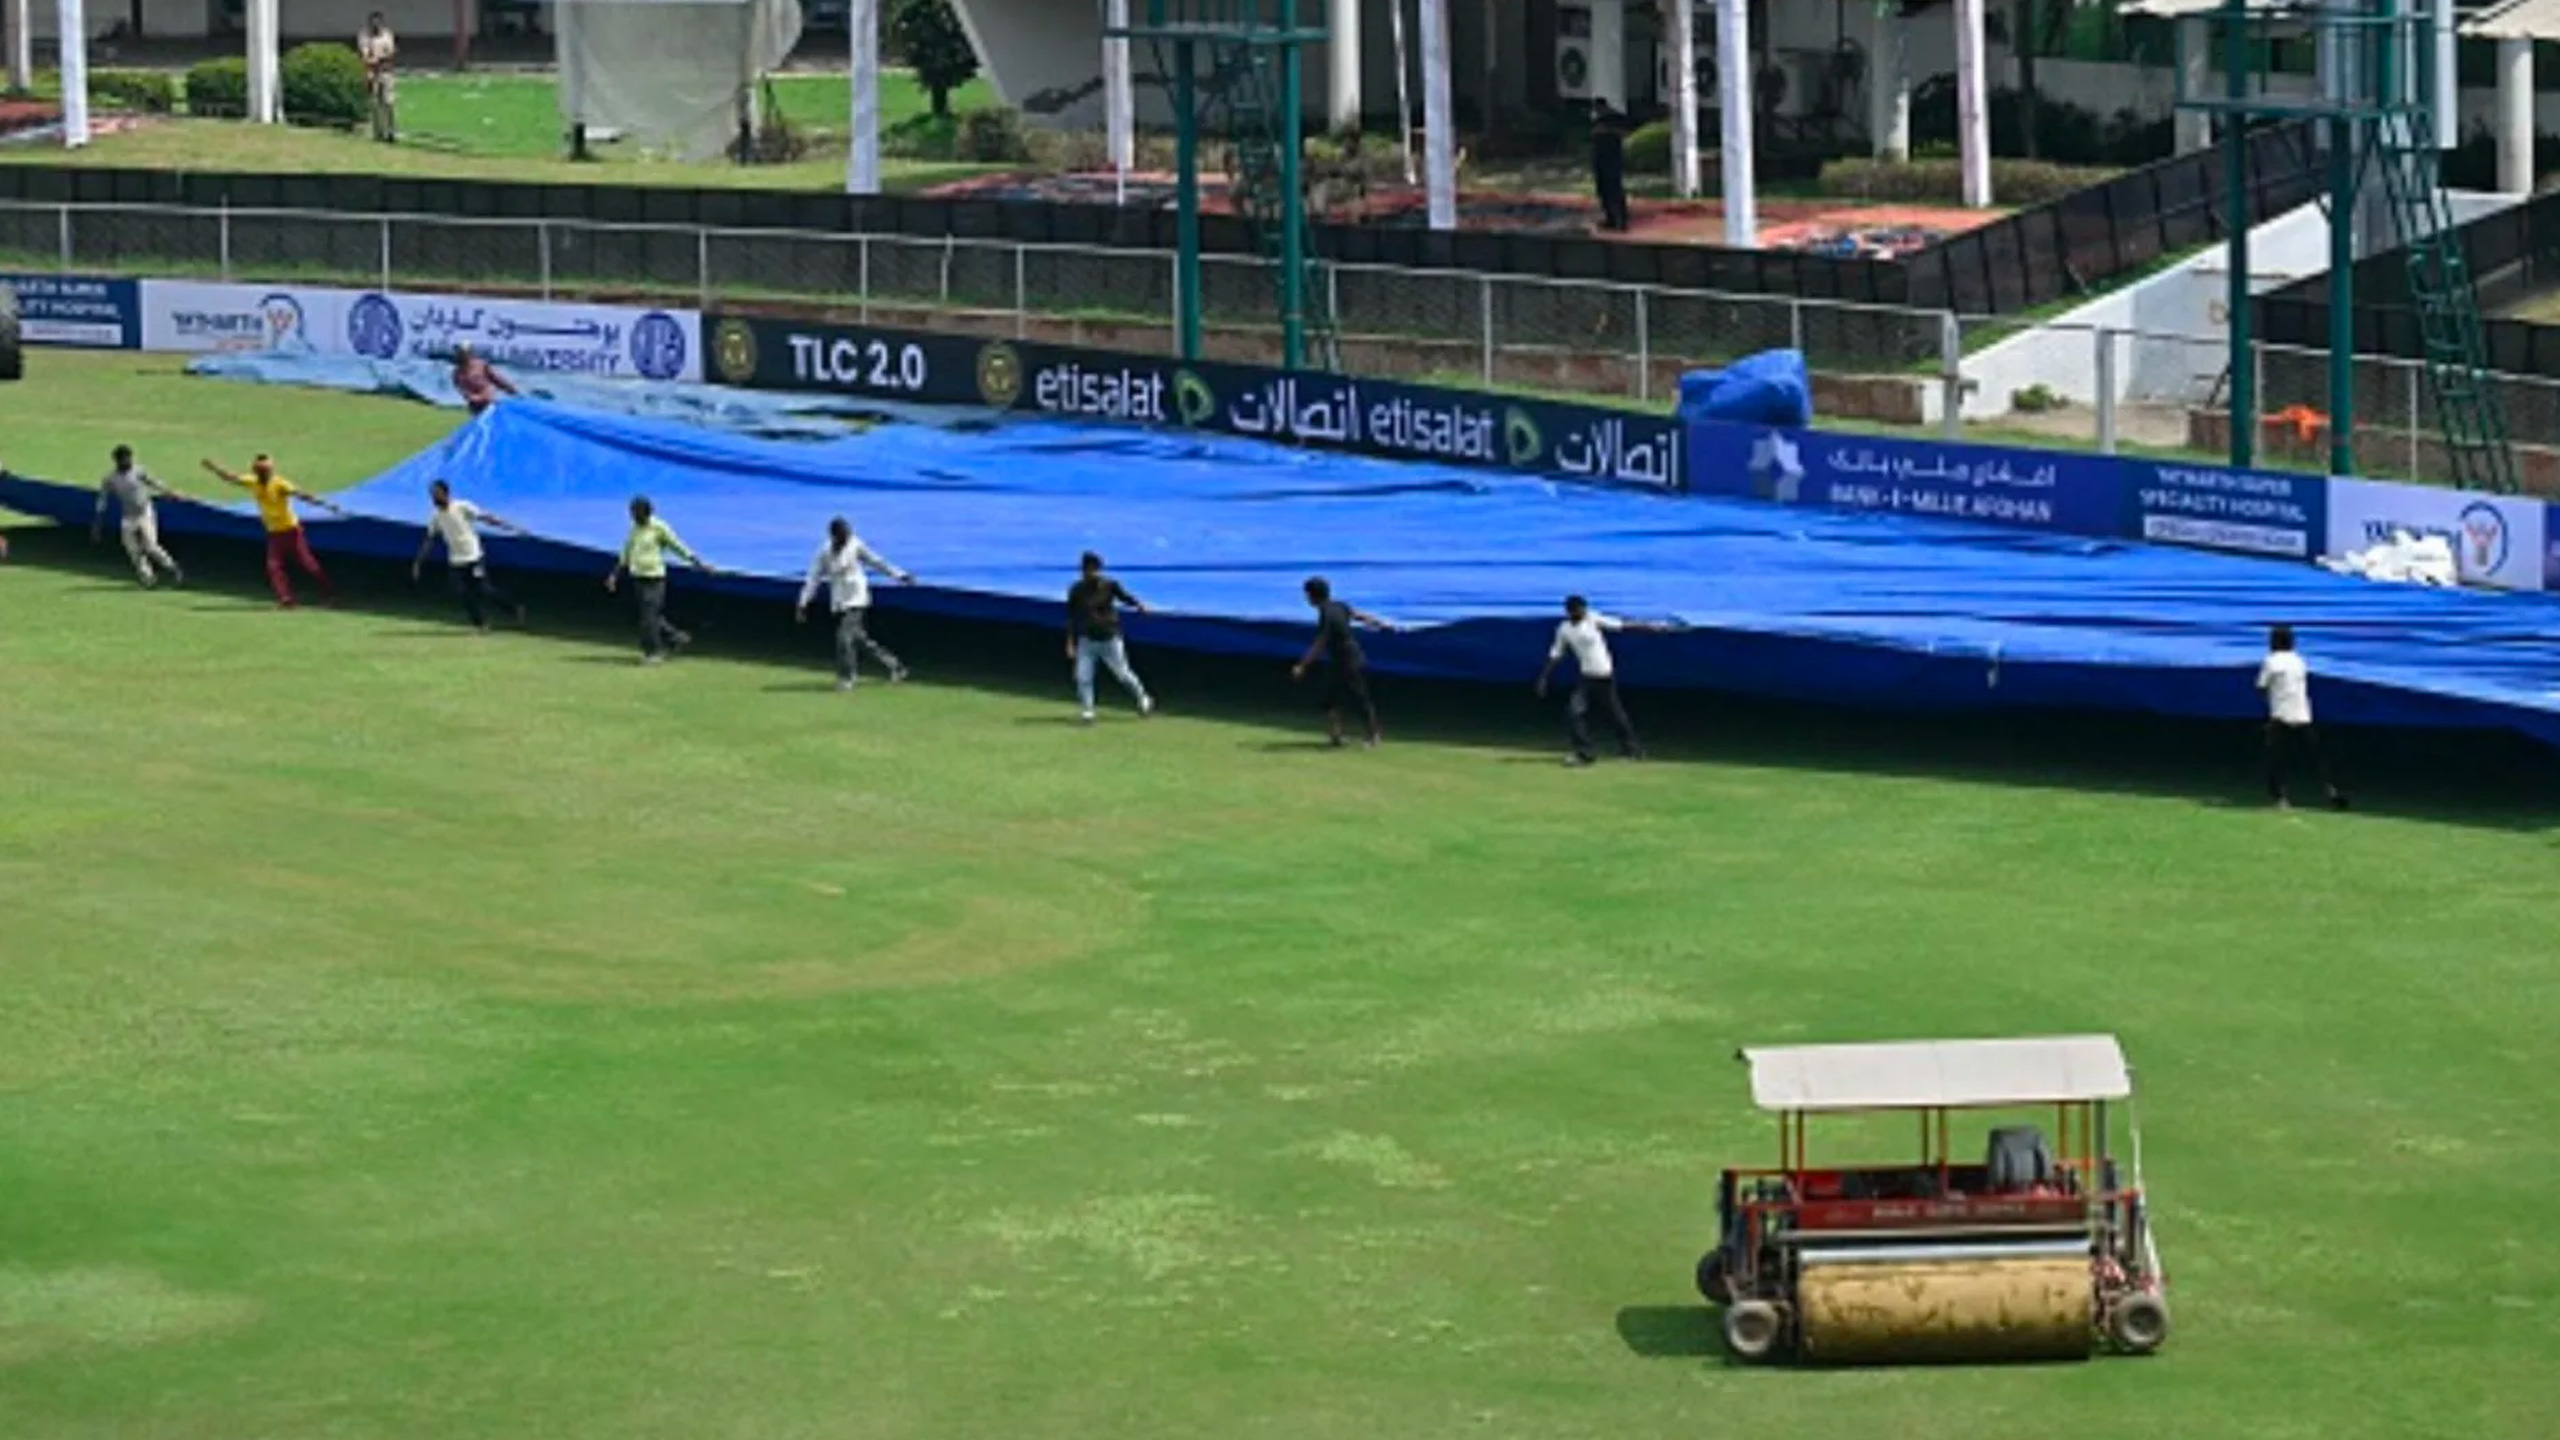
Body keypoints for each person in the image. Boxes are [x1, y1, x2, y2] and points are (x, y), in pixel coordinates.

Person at [1535, 594, 1673, 766]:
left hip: (1604, 675)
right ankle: (1585, 753)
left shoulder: (1593, 619)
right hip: (1586, 677)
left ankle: (1632, 748)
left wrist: (1651, 627)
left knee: (1615, 714)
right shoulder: (1564, 629)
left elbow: (1622, 625)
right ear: (1570, 611)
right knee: (1573, 712)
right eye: (1578, 610)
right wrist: (1544, 678)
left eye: (1583, 609)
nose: (1583, 612)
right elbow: (1555, 654)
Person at [202, 453, 343, 607]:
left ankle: (329, 592)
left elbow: (302, 495)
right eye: (260, 471)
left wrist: (327, 505)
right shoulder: (253, 482)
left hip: (291, 531)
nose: (263, 474)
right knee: (273, 566)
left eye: (266, 471)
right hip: (274, 533)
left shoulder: (280, 484)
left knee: (307, 564)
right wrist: (214, 468)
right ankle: (286, 599)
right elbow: (231, 478)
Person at [796, 516, 915, 691]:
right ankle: (895, 665)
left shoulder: (855, 545)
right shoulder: (824, 552)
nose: (846, 539)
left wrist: (899, 575)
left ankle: (847, 678)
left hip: (857, 599)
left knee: (844, 638)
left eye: (847, 534)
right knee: (860, 639)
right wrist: (803, 602)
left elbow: (877, 562)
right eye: (842, 536)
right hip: (839, 601)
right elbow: (813, 578)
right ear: (834, 536)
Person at [604, 496, 714, 664]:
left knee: (648, 616)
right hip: (638, 577)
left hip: (655, 578)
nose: (633, 517)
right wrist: (614, 575)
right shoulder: (635, 529)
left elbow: (677, 546)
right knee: (649, 615)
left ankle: (653, 652)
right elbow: (626, 553)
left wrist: (698, 563)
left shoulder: (659, 528)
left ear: (645, 513)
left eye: (636, 513)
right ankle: (676, 637)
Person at [1291, 576, 1393, 749]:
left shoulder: (1326, 613)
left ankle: (1373, 736)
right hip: (1342, 659)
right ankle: (1336, 735)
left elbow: (1320, 642)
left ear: (1312, 596)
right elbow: (1359, 615)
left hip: (1348, 659)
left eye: (1307, 595)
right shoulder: (1339, 605)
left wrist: (1303, 665)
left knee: (1358, 697)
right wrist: (1380, 624)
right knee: (1329, 696)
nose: (1306, 598)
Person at [412, 479, 527, 632]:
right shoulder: (436, 517)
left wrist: (508, 526)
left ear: (445, 494)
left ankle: (514, 609)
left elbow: (485, 518)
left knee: (484, 589)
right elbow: (429, 540)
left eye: (436, 494)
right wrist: (418, 562)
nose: (434, 498)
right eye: (432, 495)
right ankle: (480, 624)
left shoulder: (461, 507)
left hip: (473, 556)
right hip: (456, 560)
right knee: (461, 592)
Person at [2258, 624, 2347, 811]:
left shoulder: (2271, 661)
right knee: (2315, 758)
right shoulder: (2299, 661)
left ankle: (2280, 798)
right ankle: (2331, 790)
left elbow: (2261, 686)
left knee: (2276, 760)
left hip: (2280, 715)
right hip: (2302, 714)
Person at [1065, 550, 1153, 724]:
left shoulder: (1109, 585)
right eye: (1086, 570)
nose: (1090, 573)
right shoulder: (1076, 590)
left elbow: (1125, 597)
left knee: (1122, 674)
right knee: (1083, 676)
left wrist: (1140, 606)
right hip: (1087, 639)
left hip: (1109, 638)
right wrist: (1070, 642)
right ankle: (1088, 710)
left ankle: (1143, 698)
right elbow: (1072, 617)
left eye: (1093, 569)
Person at [91, 444, 184, 588]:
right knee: (133, 550)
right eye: (124, 459)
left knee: (150, 545)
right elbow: (102, 500)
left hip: (144, 512)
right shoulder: (110, 479)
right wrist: (97, 522)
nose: (127, 462)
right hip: (128, 516)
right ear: (117, 461)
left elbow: (153, 482)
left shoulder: (138, 471)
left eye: (129, 458)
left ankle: (171, 567)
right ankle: (148, 578)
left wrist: (170, 492)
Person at [1590, 98, 1632, 234]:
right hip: (1602, 161)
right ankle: (1611, 219)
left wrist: (1607, 131)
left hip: (1611, 161)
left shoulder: (1614, 119)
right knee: (1604, 191)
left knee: (1614, 191)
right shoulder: (1598, 121)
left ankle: (1620, 220)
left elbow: (1623, 132)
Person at [358, 13, 398, 143]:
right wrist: (370, 63)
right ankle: (378, 132)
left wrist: (379, 58)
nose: (375, 26)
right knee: (375, 103)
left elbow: (390, 52)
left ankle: (391, 131)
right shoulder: (365, 36)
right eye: (373, 23)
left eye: (378, 23)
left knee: (388, 102)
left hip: (386, 72)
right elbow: (365, 55)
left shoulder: (387, 35)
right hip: (372, 73)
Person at [452, 344, 518, 416]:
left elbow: (497, 380)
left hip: (489, 401)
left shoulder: (481, 365)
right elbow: (463, 391)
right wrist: (474, 397)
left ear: (469, 353)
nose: (460, 355)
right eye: (459, 353)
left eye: (463, 353)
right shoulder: (457, 373)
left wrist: (512, 390)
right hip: (475, 406)